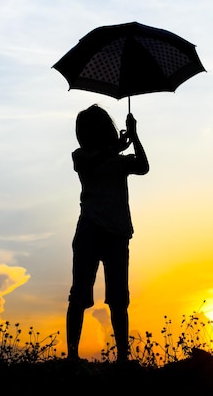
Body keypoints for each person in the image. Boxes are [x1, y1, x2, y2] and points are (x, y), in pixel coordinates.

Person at [66, 104, 149, 362]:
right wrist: (118, 146)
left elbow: (144, 167)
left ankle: (122, 357)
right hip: (92, 232)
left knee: (118, 298)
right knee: (80, 293)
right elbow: (95, 161)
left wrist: (134, 136)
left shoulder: (115, 160)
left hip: (115, 234)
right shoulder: (81, 157)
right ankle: (72, 355)